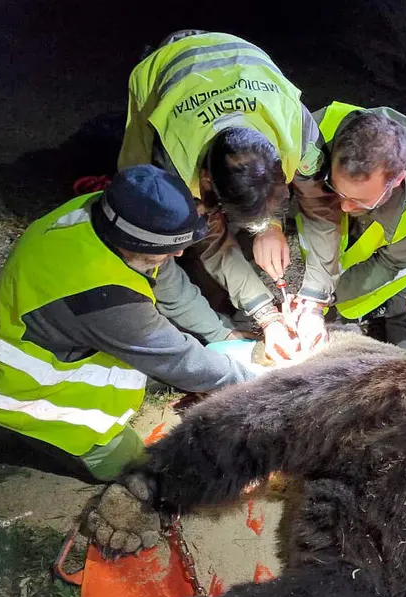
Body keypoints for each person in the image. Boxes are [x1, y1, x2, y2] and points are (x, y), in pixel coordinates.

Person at [0, 164, 255, 481]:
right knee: (140, 469)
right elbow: (179, 360)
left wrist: (222, 333)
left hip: (52, 342)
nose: (182, 252)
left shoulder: (109, 213)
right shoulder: (101, 296)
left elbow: (167, 280)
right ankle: (17, 444)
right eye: (168, 249)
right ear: (137, 246)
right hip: (29, 401)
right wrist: (256, 383)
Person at [117, 29, 326, 361]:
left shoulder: (295, 129)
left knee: (243, 233)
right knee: (157, 223)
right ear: (206, 182)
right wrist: (267, 316)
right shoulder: (173, 160)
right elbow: (211, 237)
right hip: (167, 70)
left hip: (242, 58)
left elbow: (319, 200)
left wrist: (271, 227)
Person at [258, 102, 406, 356]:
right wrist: (270, 224)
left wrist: (321, 298)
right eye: (336, 190)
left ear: (397, 181)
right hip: (337, 264)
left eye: (360, 201)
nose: (345, 207)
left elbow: (389, 263)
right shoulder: (312, 135)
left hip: (403, 266)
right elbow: (272, 176)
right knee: (327, 342)